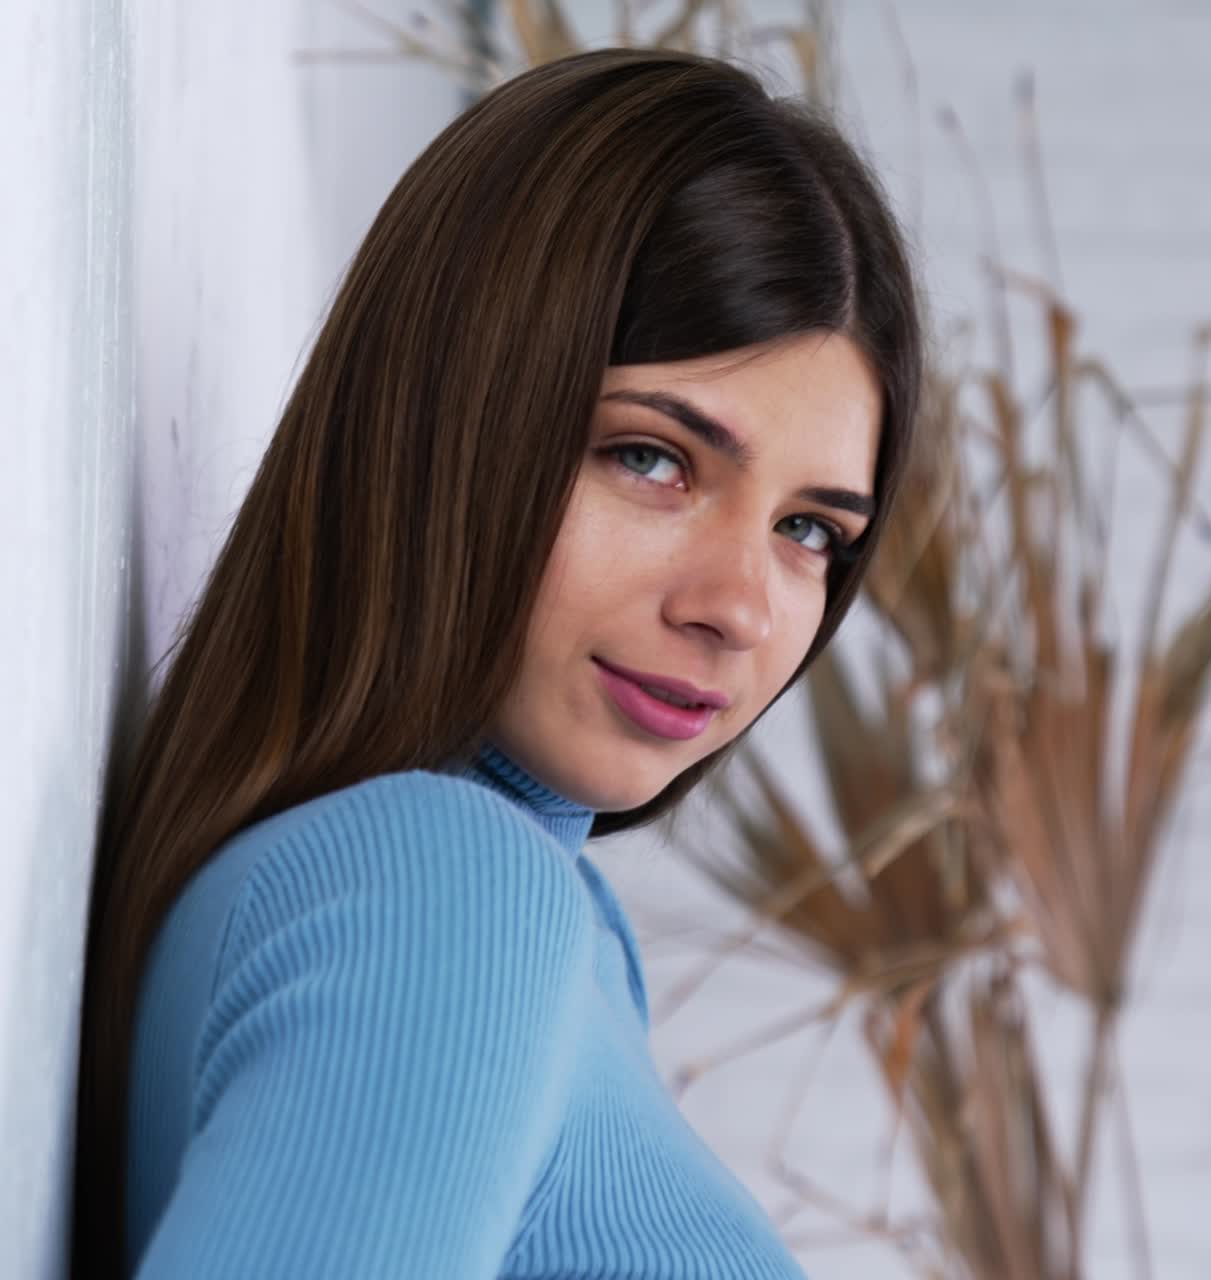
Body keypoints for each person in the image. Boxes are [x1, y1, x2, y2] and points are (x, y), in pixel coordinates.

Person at [72, 46, 922, 1278]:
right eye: (653, 458)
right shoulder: (443, 887)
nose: (738, 605)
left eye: (808, 531)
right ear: (452, 418)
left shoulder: (554, 924)